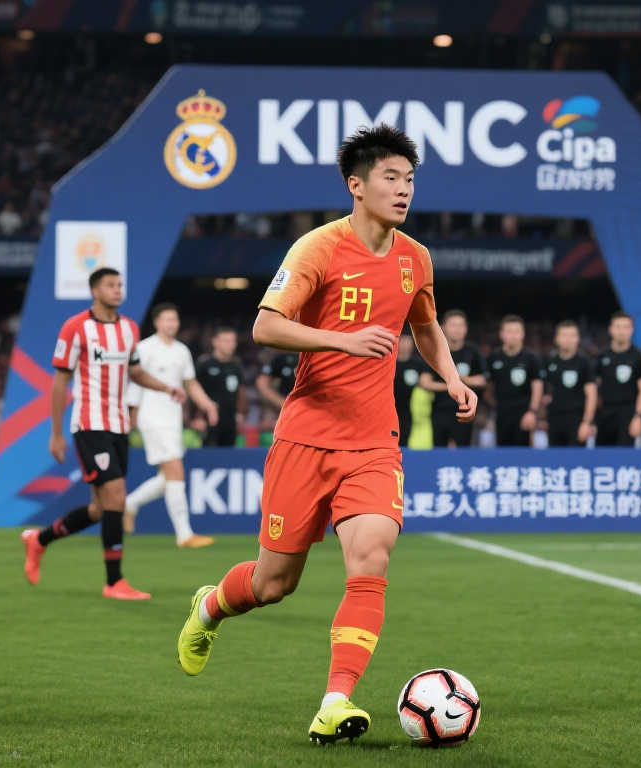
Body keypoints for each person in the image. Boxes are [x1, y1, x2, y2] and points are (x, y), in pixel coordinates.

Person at [174, 124, 477, 744]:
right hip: (306, 438)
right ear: (356, 186)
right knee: (273, 584)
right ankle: (209, 607)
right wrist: (343, 340)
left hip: (374, 442)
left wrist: (451, 377)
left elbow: (424, 326)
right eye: (390, 178)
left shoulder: (415, 258)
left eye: (410, 179)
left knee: (371, 558)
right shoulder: (317, 248)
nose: (403, 189)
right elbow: (265, 326)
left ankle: (335, 702)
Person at [21, 268, 186, 600]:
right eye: (110, 285)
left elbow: (136, 372)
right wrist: (56, 434)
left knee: (101, 508)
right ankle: (114, 582)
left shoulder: (129, 328)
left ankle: (39, 539)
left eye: (120, 284)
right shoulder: (75, 327)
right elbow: (60, 381)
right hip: (89, 424)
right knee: (116, 495)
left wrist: (166, 387)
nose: (117, 290)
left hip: (119, 425)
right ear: (95, 291)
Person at [122, 303, 220, 547]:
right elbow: (135, 382)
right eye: (166, 319)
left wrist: (208, 405)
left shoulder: (181, 351)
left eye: (174, 319)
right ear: (157, 322)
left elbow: (191, 383)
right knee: (175, 469)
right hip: (151, 416)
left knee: (168, 476)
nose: (171, 324)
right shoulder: (144, 348)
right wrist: (132, 415)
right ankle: (184, 534)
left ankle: (130, 503)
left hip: (173, 418)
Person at [418, 309, 486, 447]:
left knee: (463, 451)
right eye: (453, 325)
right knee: (439, 451)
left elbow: (482, 380)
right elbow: (424, 382)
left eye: (461, 325)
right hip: (439, 410)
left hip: (464, 410)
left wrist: (462, 380)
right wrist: (451, 384)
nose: (457, 329)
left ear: (466, 328)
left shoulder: (473, 351)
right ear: (443, 328)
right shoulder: (435, 350)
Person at [595, 311, 641, 446]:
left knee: (625, 455)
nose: (621, 331)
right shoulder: (602, 356)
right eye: (618, 327)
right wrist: (592, 419)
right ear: (610, 329)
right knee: (601, 455)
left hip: (628, 413)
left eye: (626, 327)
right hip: (604, 414)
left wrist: (638, 416)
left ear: (632, 330)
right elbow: (594, 388)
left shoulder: (638, 356)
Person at [487, 315, 543, 447]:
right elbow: (488, 386)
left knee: (524, 454)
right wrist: (495, 407)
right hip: (501, 414)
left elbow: (537, 387)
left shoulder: (531, 358)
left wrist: (532, 412)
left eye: (516, 331)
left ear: (523, 334)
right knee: (502, 453)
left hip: (524, 414)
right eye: (509, 331)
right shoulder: (493, 357)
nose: (513, 335)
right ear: (501, 334)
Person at [543, 321, 596, 446]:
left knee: (576, 457)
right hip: (554, 420)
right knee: (554, 457)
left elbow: (591, 395)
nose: (568, 339)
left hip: (577, 420)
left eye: (572, 335)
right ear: (557, 339)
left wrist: (587, 422)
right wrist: (542, 417)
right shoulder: (549, 361)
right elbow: (544, 392)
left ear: (578, 339)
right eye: (564, 335)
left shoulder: (585, 363)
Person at [195, 326, 245, 447]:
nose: (230, 345)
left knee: (229, 454)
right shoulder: (204, 364)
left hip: (230, 420)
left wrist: (241, 413)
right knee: (208, 454)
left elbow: (240, 391)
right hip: (209, 420)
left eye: (233, 341)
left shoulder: (236, 365)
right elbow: (194, 390)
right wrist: (197, 417)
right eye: (226, 341)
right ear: (215, 342)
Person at [393, 332, 424, 447]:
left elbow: (426, 383)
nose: (405, 344)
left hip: (411, 412)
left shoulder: (419, 364)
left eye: (408, 340)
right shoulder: (388, 362)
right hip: (389, 410)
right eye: (402, 340)